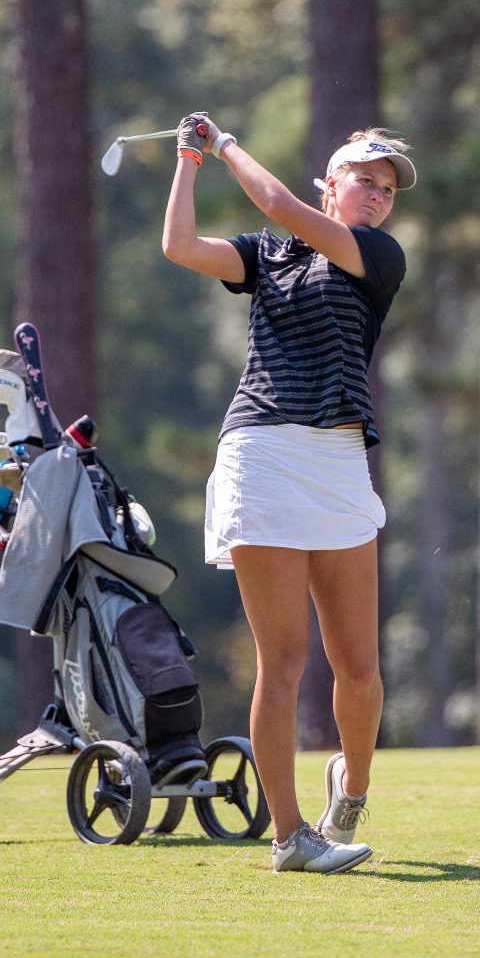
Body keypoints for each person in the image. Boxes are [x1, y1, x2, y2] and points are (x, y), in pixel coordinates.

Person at [160, 111, 413, 874]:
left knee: (360, 669)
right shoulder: (267, 256)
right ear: (331, 184)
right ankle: (288, 837)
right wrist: (187, 160)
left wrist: (228, 142)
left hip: (338, 458)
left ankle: (351, 790)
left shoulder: (377, 254)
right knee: (285, 659)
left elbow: (279, 205)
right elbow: (179, 246)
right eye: (362, 181)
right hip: (262, 450)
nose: (376, 194)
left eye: (386, 188)